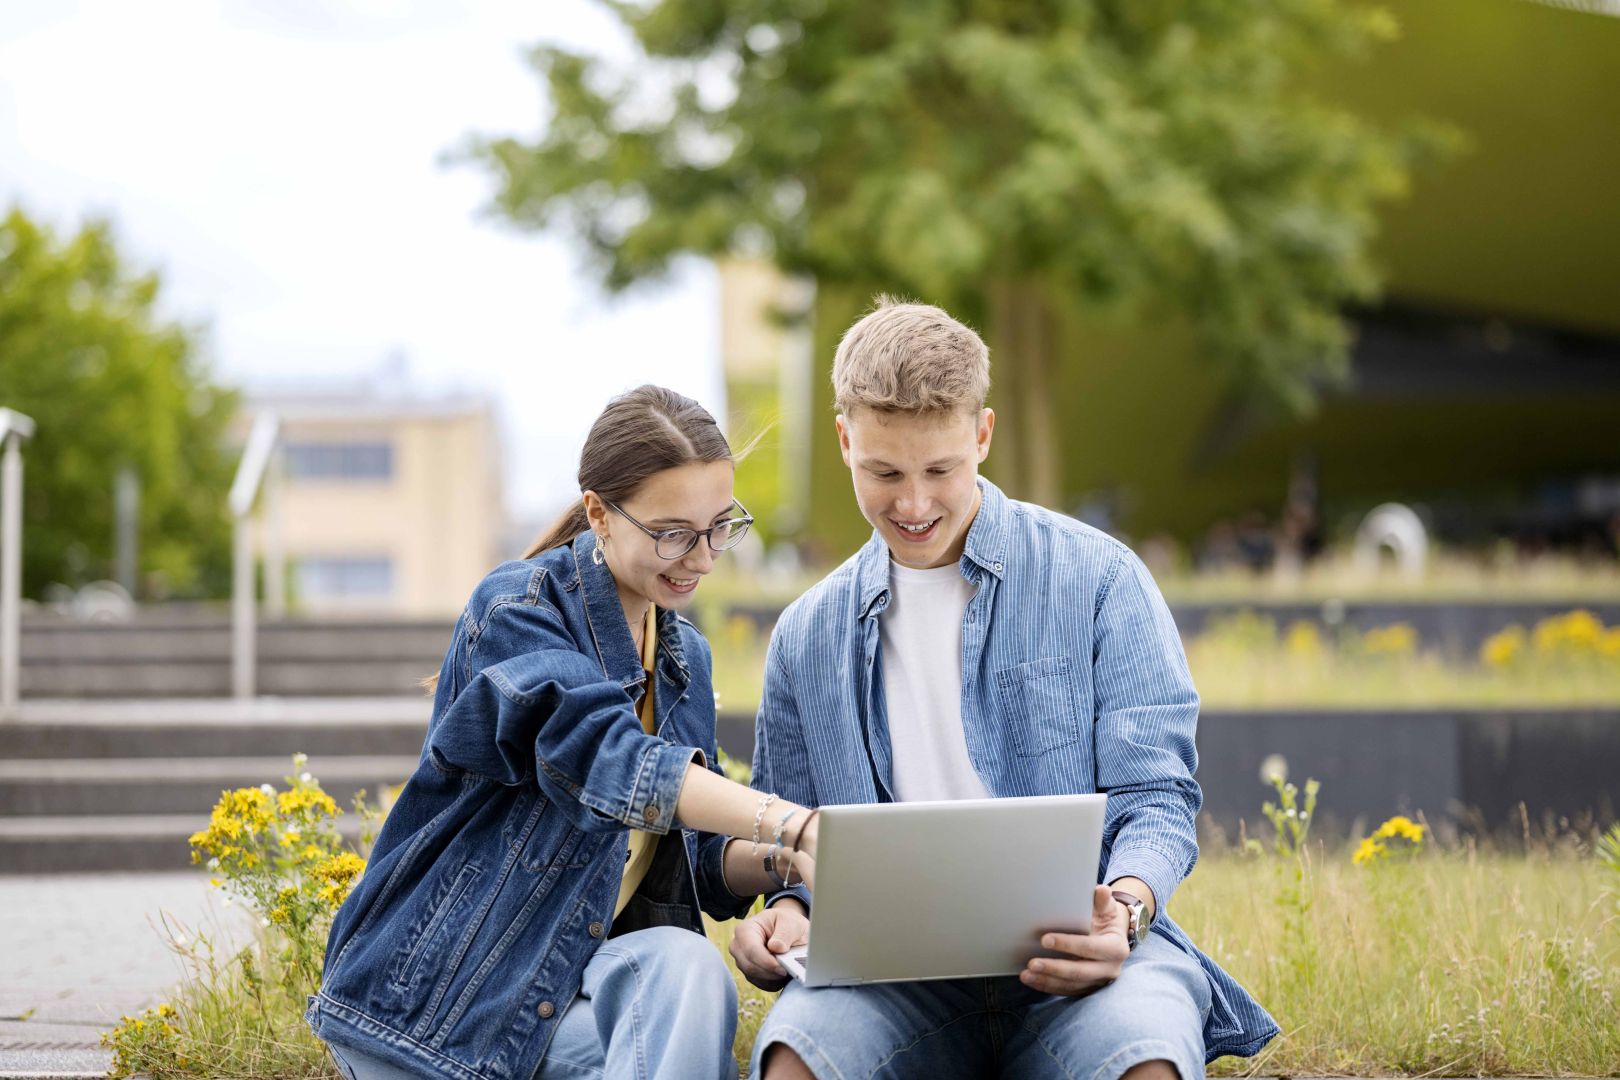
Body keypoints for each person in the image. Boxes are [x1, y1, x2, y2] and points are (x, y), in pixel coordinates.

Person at [729, 300, 1279, 1079]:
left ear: (982, 436)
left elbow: (1156, 797)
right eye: (883, 472)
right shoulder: (804, 636)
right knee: (793, 1059)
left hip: (1082, 969)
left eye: (941, 470)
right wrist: (781, 914)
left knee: (1145, 1060)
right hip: (888, 984)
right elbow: (788, 838)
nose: (914, 505)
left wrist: (1123, 909)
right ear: (845, 439)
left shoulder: (1100, 579)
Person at [308, 385, 819, 1080]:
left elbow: (698, 861)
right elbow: (608, 761)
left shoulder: (683, 657)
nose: (700, 557)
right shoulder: (517, 608)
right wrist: (790, 825)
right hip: (435, 1010)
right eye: (671, 532)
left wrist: (796, 864)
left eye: (719, 526)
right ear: (599, 514)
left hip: (553, 1010)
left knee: (683, 961)